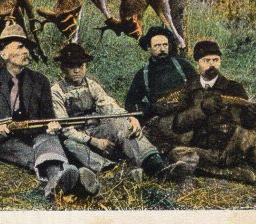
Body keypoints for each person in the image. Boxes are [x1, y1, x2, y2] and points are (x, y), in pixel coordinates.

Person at [0, 23, 99, 199]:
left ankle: (55, 183)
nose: (26, 51)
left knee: (49, 140)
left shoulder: (39, 80)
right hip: (3, 139)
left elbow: (47, 117)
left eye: (27, 46)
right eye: (20, 46)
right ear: (4, 53)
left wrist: (52, 125)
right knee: (25, 151)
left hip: (35, 134)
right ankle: (65, 179)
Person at [171, 40, 256, 203]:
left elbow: (246, 126)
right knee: (177, 154)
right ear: (198, 63)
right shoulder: (189, 89)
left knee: (245, 134)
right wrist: (202, 109)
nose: (212, 65)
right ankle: (239, 174)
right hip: (202, 152)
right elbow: (178, 125)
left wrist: (254, 116)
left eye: (215, 60)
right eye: (206, 60)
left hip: (229, 150)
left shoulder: (234, 88)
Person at [50, 43, 191, 182]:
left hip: (95, 128)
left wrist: (129, 117)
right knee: (70, 144)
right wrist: (93, 141)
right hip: (76, 134)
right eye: (71, 66)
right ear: (63, 68)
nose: (76, 71)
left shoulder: (91, 85)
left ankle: (157, 166)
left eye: (80, 66)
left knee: (123, 125)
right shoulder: (56, 91)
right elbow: (66, 129)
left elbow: (109, 105)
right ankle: (112, 171)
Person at [123, 26, 200, 164]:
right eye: (157, 45)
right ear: (149, 48)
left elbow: (199, 90)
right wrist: (151, 107)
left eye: (165, 45)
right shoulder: (143, 74)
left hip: (187, 115)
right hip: (162, 120)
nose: (162, 49)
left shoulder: (183, 66)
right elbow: (130, 102)